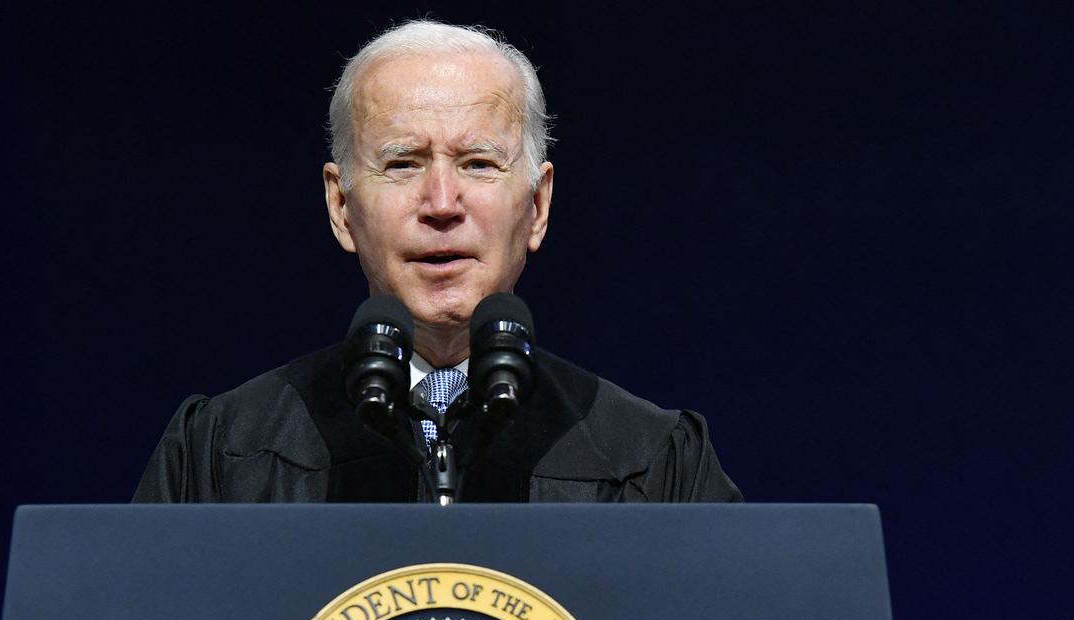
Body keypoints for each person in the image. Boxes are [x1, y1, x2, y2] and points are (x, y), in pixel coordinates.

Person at [133, 20, 741, 503]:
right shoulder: (221, 455)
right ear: (342, 206)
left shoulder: (651, 462)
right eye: (403, 163)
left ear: (537, 205)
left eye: (478, 163)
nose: (442, 203)